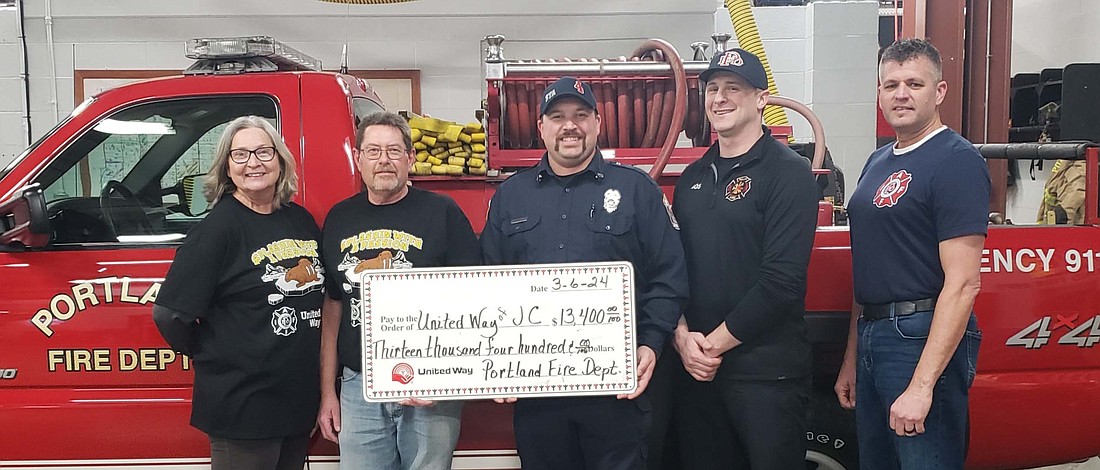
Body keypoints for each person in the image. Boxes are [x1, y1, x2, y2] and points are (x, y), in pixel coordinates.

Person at [480, 76, 689, 470]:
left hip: (617, 393)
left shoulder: (637, 191)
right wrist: (494, 359)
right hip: (537, 393)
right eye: (556, 117)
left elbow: (668, 277)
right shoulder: (510, 196)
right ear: (541, 128)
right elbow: (489, 282)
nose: (569, 126)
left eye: (580, 115)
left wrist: (650, 343)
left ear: (597, 123)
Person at [835, 38, 989, 469]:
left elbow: (962, 284)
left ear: (939, 92)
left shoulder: (955, 162)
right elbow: (867, 268)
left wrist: (923, 386)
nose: (901, 94)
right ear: (880, 93)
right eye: (891, 84)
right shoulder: (877, 162)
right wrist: (853, 359)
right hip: (874, 334)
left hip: (919, 337)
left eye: (914, 83)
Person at [670, 48, 818, 470]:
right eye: (712, 89)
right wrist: (682, 339)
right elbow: (674, 270)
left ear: (761, 99)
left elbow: (781, 282)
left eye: (733, 88)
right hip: (699, 375)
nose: (720, 98)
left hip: (766, 377)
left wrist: (709, 347)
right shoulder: (693, 178)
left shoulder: (788, 174)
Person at [153, 115, 324, 470]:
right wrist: (216, 353)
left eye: (263, 152)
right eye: (241, 155)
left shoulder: (301, 221)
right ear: (227, 168)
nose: (254, 163)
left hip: (295, 400)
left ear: (280, 160)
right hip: (243, 406)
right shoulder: (217, 230)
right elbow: (169, 314)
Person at [315, 111, 481, 470]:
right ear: (358, 159)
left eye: (393, 150)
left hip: (431, 385)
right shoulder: (339, 218)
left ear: (410, 158)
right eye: (373, 151)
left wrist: (443, 374)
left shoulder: (443, 213)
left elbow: (475, 299)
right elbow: (333, 307)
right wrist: (329, 392)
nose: (383, 160)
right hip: (360, 386)